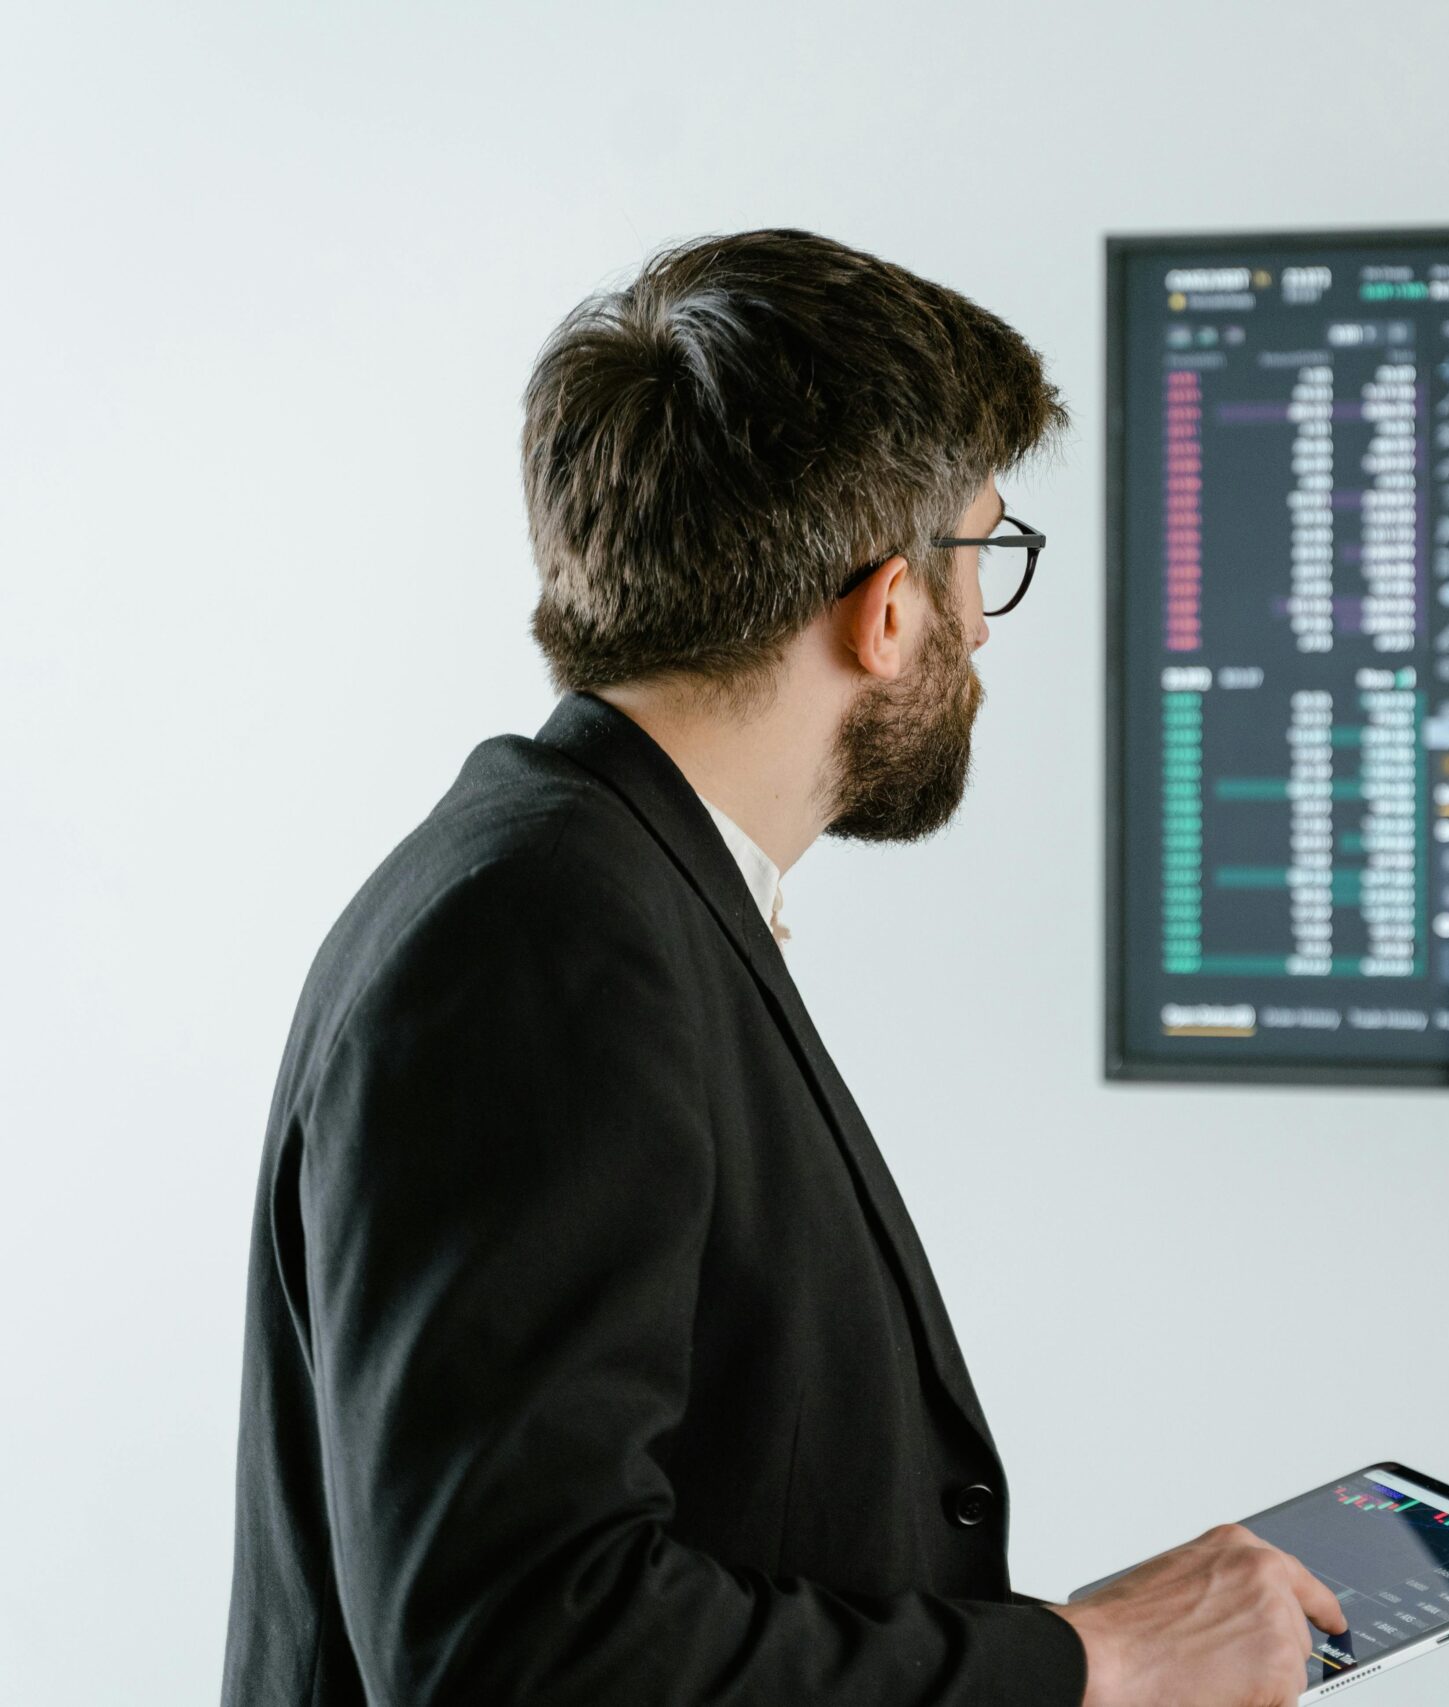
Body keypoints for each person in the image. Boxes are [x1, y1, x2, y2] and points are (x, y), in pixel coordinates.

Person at [221, 229, 1346, 1707]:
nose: (982, 640)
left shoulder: (595, 882)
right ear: (887, 610)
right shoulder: (544, 936)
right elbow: (520, 1652)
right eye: (984, 558)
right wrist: (1092, 1665)